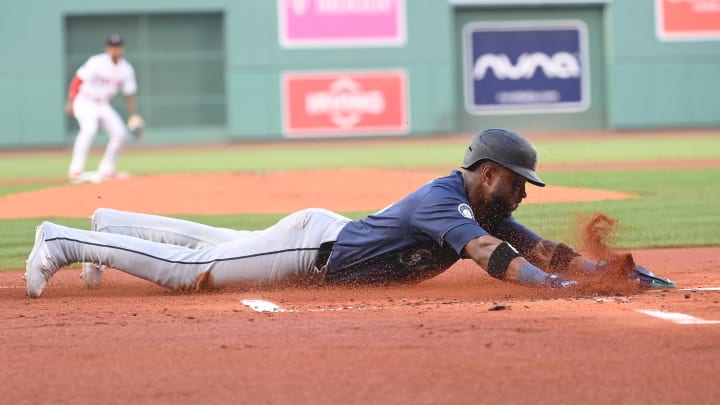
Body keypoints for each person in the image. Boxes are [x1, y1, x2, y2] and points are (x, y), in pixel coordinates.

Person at [23, 129, 672, 298]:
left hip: (322, 234)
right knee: (192, 270)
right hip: (314, 251)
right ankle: (66, 240)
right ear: (491, 173)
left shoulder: (484, 207)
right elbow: (490, 258)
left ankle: (112, 224)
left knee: (223, 242)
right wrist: (557, 288)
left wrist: (608, 272)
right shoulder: (448, 200)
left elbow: (538, 248)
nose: (524, 194)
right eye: (519, 183)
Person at [65, 34, 143, 184]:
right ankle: (75, 170)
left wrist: (134, 115)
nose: (115, 49)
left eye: (118, 46)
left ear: (122, 49)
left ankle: (107, 169)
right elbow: (78, 80)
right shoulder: (96, 62)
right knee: (89, 130)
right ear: (107, 48)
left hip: (102, 104)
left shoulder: (126, 69)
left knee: (120, 133)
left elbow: (129, 94)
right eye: (112, 46)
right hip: (85, 100)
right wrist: (70, 101)